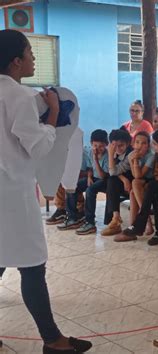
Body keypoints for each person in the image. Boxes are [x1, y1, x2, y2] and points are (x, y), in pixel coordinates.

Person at [0, 29, 92, 353]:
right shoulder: (19, 96)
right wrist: (52, 113)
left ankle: (52, 338)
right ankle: (53, 341)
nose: (33, 58)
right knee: (32, 264)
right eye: (29, 52)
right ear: (16, 61)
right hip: (12, 194)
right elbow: (38, 147)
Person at [58, 129, 109, 235]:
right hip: (93, 178)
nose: (98, 149)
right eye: (95, 145)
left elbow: (103, 175)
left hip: (105, 180)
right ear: (91, 143)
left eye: (101, 146)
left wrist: (95, 159)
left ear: (106, 144)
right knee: (72, 186)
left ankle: (90, 222)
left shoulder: (107, 156)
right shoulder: (90, 151)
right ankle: (73, 218)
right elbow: (90, 168)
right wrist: (89, 177)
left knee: (90, 190)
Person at [101, 129, 133, 236]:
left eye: (121, 145)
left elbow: (113, 171)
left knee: (111, 182)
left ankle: (115, 219)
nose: (118, 149)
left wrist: (110, 154)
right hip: (122, 182)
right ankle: (114, 219)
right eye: (115, 146)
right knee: (109, 182)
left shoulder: (130, 155)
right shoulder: (113, 151)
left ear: (128, 144)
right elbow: (110, 172)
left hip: (132, 184)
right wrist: (123, 179)